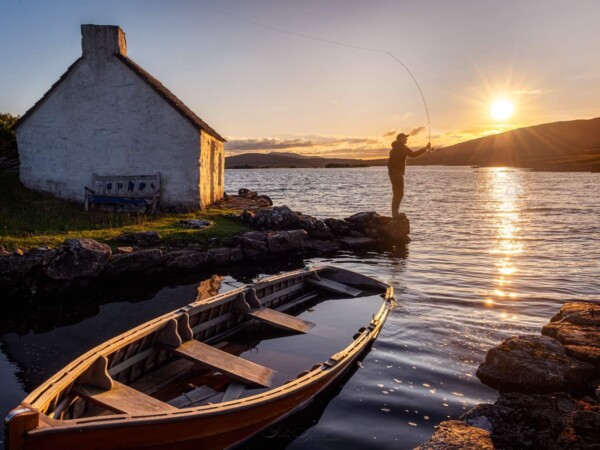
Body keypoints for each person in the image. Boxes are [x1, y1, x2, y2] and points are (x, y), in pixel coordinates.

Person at [388, 132, 432, 218]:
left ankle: (394, 213)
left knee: (396, 193)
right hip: (397, 173)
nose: (406, 139)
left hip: (392, 174)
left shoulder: (393, 149)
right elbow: (413, 154)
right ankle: (395, 214)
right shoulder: (401, 147)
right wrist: (425, 148)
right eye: (405, 138)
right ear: (401, 139)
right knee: (399, 193)